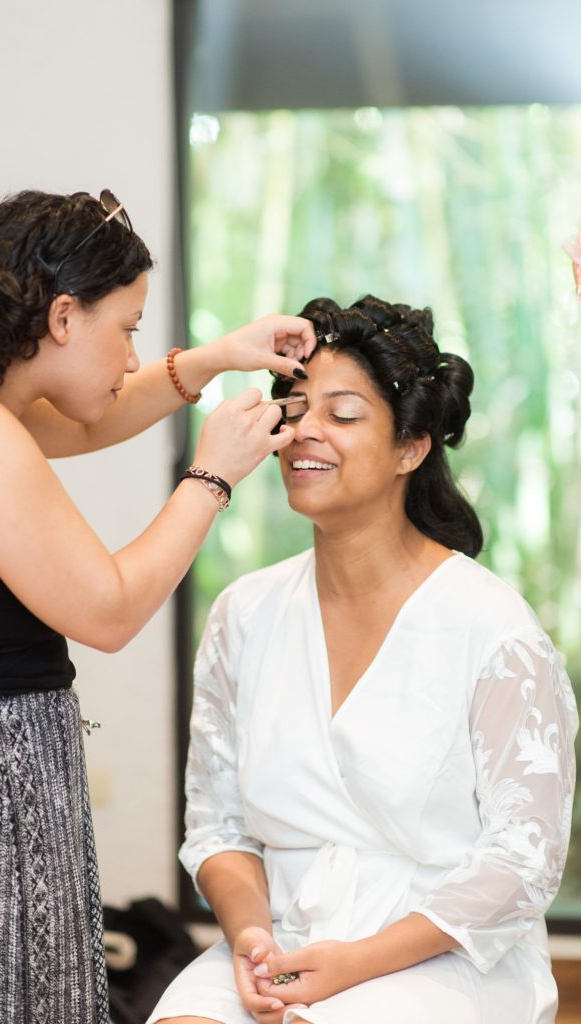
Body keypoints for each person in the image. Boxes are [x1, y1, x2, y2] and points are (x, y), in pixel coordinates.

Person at [0, 188, 317, 1024]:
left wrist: (214, 358)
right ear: (62, 317)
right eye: (126, 329)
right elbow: (111, 612)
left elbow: (88, 421)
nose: (131, 357)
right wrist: (212, 477)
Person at [148, 294, 578, 1024]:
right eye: (295, 409)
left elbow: (524, 860)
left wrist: (353, 963)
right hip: (281, 939)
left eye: (342, 414)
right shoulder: (244, 614)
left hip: (441, 952)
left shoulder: (492, 628)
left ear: (411, 448)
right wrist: (253, 941)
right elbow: (218, 827)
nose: (304, 431)